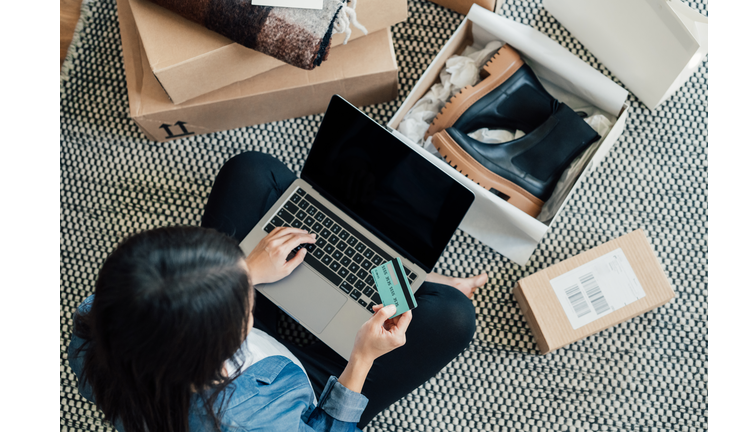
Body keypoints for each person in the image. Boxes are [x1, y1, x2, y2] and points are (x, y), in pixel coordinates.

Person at [68, 151, 488, 432]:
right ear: (215, 355)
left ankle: (404, 271)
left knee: (250, 169)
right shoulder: (250, 422)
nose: (246, 279)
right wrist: (361, 359)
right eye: (243, 299)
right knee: (452, 316)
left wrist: (247, 270)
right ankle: (420, 281)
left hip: (215, 344)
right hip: (306, 381)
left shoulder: (93, 331)